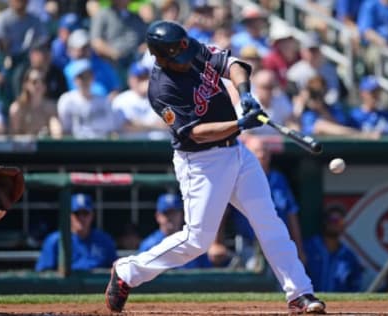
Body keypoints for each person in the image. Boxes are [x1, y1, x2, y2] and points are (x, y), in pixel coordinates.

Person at [105, 20, 326, 315]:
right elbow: (197, 133)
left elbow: (233, 64)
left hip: (237, 153)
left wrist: (245, 93)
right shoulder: (161, 89)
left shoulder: (190, 49)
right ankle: (128, 272)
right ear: (160, 57)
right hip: (201, 162)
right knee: (197, 240)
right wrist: (238, 123)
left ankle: (300, 293)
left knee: (269, 222)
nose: (186, 61)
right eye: (177, 58)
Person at [227, 136, 307, 267]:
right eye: (257, 151)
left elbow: (291, 214)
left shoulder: (278, 179)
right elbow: (221, 212)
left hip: (278, 243)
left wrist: (299, 248)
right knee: (255, 272)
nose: (262, 154)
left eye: (265, 150)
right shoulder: (237, 179)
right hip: (249, 244)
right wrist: (215, 243)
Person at [138, 193, 227, 269]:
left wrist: (216, 261)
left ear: (182, 214)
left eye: (174, 213)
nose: (171, 218)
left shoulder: (193, 241)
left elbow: (207, 272)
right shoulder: (149, 245)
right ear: (158, 216)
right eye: (167, 213)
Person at [35, 193, 117, 271]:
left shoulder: (105, 240)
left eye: (85, 213)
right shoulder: (55, 241)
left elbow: (115, 271)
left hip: (98, 285)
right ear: (69, 215)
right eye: (77, 213)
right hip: (66, 285)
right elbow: (44, 273)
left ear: (92, 215)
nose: (81, 218)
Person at [303, 206, 363, 292]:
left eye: (340, 221)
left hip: (339, 303)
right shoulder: (309, 247)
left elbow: (355, 285)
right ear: (325, 222)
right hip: (310, 301)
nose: (336, 224)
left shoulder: (349, 256)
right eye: (333, 220)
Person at [58, 59, 118, 139]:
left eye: (88, 76)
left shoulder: (103, 101)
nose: (85, 80)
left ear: (92, 77)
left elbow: (111, 130)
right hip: (76, 146)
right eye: (81, 77)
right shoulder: (67, 100)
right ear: (75, 80)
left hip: (101, 146)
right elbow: (65, 130)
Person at [112, 62, 168, 140]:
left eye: (145, 77)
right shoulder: (121, 99)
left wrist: (140, 125)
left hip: (157, 146)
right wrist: (154, 126)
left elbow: (168, 123)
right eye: (139, 78)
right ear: (130, 80)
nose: (143, 81)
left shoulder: (160, 98)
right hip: (132, 146)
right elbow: (126, 126)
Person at [8, 68, 62, 138]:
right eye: (34, 82)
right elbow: (13, 136)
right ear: (26, 85)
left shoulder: (51, 107)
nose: (39, 85)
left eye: (42, 81)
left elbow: (57, 133)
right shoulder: (17, 109)